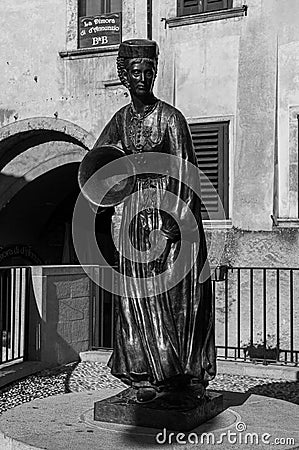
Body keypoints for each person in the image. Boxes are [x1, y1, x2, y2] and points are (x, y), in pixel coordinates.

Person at [94, 39, 216, 403]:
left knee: (173, 294)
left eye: (149, 71)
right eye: (136, 72)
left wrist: (174, 223)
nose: (143, 78)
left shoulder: (171, 119)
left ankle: (181, 375)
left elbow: (186, 172)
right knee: (135, 295)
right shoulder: (121, 119)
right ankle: (142, 374)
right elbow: (100, 159)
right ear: (124, 77)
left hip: (171, 215)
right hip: (135, 215)